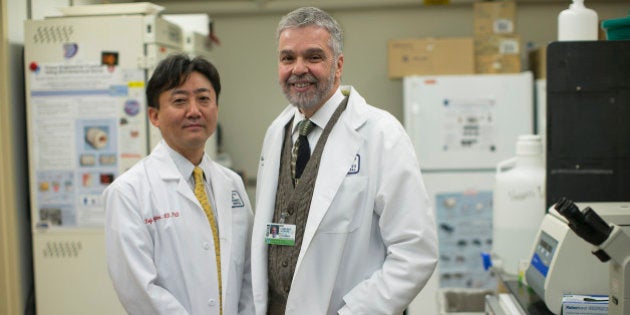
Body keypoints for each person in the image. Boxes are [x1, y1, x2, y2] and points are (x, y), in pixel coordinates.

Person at [251, 7, 439, 315]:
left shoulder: (380, 134)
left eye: (313, 57)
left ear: (338, 65)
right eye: (288, 58)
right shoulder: (277, 132)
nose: (299, 69)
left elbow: (415, 251)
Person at [103, 54, 254, 315]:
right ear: (154, 115)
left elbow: (250, 273)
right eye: (179, 100)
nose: (194, 110)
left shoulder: (232, 184)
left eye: (204, 99)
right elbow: (139, 290)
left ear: (216, 108)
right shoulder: (128, 192)